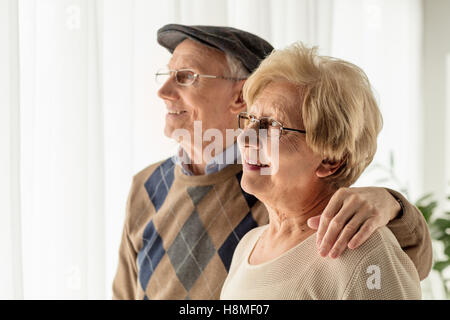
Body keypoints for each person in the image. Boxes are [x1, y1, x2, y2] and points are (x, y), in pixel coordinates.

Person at [112, 24, 431, 300]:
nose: (163, 91)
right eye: (251, 120)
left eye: (186, 76)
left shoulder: (277, 184)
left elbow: (401, 259)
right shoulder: (149, 185)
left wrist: (392, 204)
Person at [220, 43, 422, 299]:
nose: (246, 137)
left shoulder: (364, 250)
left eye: (271, 126)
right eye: (251, 119)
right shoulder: (248, 245)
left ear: (330, 160)